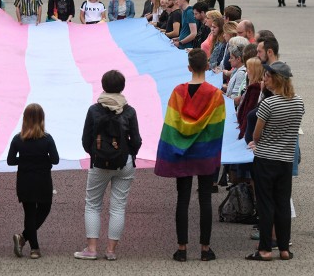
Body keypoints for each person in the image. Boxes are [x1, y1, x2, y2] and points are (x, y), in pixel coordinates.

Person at [155, 49, 225, 262]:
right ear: (206, 67)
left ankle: (182, 249)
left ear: (188, 68)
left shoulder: (178, 92)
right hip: (204, 154)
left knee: (182, 199)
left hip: (182, 154)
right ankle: (205, 249)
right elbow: (217, 129)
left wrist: (176, 147)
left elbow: (171, 124)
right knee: (205, 199)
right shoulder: (215, 94)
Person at [74, 70, 142, 260]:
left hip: (100, 161)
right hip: (124, 161)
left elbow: (86, 139)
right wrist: (130, 154)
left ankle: (92, 248)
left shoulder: (94, 110)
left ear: (103, 86)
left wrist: (95, 154)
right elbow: (136, 140)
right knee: (118, 206)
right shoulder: (129, 111)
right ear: (122, 87)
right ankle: (111, 250)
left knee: (93, 204)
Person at [246, 62, 304, 261]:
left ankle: (265, 249)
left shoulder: (269, 104)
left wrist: (256, 142)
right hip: (286, 159)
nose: (265, 79)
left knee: (265, 204)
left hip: (266, 158)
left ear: (276, 79)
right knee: (282, 203)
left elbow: (257, 134)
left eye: (268, 76)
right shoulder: (298, 102)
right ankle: (284, 248)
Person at [7, 104, 59, 259]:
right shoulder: (47, 139)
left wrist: (24, 159)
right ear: (42, 119)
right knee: (45, 208)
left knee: (29, 212)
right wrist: (43, 158)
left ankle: (32, 246)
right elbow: (55, 160)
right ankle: (27, 241)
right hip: (42, 180)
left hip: (24, 179)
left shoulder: (18, 139)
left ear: (24, 119)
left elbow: (10, 161)